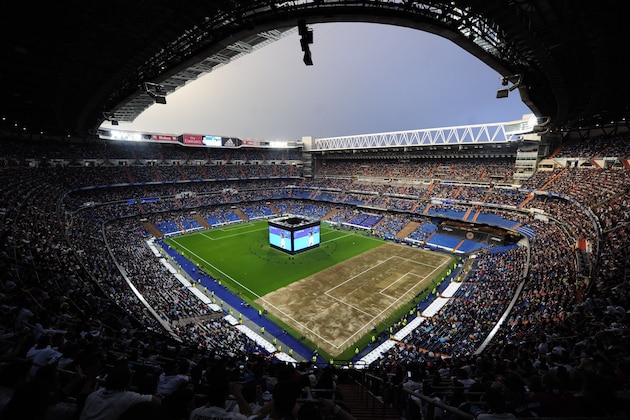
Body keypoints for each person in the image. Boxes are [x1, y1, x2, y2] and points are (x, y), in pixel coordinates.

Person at [79, 360, 160, 420]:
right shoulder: (126, 397)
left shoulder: (94, 394)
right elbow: (156, 400)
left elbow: (82, 397)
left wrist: (89, 379)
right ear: (127, 381)